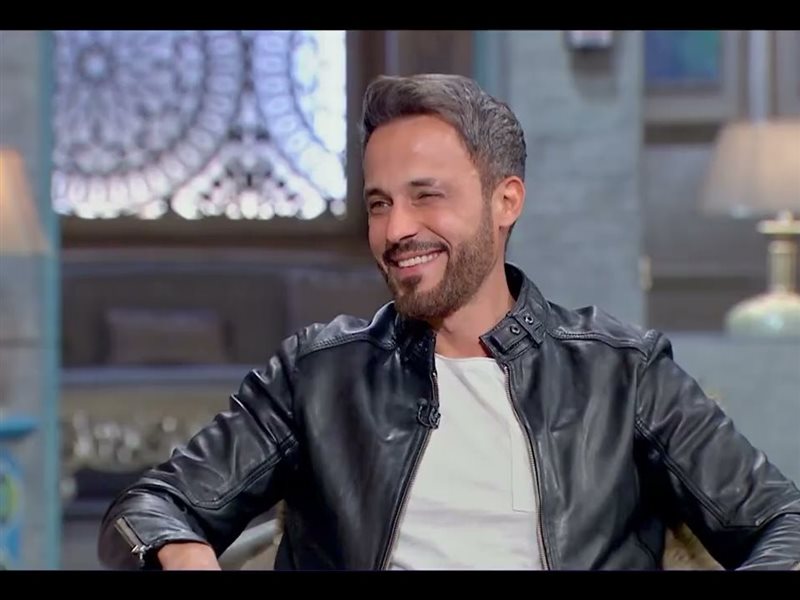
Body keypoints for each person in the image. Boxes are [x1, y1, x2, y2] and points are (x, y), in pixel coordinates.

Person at [97, 73, 800, 571]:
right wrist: (183, 554)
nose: (396, 229)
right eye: (379, 203)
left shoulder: (623, 372)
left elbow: (780, 522)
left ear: (505, 201)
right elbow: (149, 507)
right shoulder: (317, 375)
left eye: (425, 197)